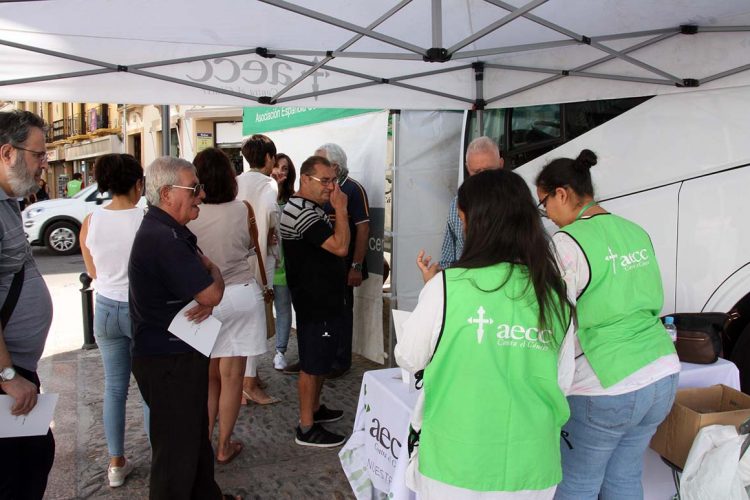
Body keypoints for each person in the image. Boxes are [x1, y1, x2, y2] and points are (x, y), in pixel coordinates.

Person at [395, 169, 574, 499]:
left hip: (456, 462)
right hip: (532, 464)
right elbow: (562, 381)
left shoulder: (446, 288)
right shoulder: (556, 293)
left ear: (475, 223)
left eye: (462, 221)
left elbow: (409, 356)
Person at [535, 149, 679, 500]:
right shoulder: (635, 231)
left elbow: (552, 321)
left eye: (544, 204)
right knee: (625, 478)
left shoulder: (566, 243)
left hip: (605, 384)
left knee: (577, 485)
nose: (546, 215)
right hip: (662, 373)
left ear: (562, 194)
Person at [129, 156, 238, 499]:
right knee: (175, 454)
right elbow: (212, 293)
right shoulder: (164, 237)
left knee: (192, 440)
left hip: (176, 356)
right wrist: (216, 272)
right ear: (166, 193)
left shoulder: (168, 230)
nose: (201, 195)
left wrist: (208, 276)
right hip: (168, 361)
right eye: (194, 189)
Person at [188, 148, 276, 465]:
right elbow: (251, 247)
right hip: (239, 293)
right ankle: (224, 445)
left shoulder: (190, 215)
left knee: (209, 377)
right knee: (232, 378)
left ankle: (204, 441)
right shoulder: (242, 209)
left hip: (203, 299)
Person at [80, 153, 145, 487]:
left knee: (114, 387)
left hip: (104, 308)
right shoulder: (146, 219)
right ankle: (161, 454)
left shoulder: (91, 220)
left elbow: (92, 271)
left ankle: (116, 463)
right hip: (139, 309)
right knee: (150, 387)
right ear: (137, 183)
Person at [0, 110, 55, 499]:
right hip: (7, 377)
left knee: (33, 459)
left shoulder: (8, 201)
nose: (43, 164)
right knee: (19, 470)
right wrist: (7, 376)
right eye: (38, 155)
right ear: (7, 153)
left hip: (18, 370)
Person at [280, 155, 350, 447]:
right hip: (315, 301)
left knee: (319, 360)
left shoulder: (307, 207)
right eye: (326, 181)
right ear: (305, 179)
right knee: (312, 364)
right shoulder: (302, 211)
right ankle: (306, 427)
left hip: (322, 299)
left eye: (334, 180)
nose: (331, 187)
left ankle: (315, 409)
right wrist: (342, 210)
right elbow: (341, 246)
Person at [313, 143, 370, 379]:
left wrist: (356, 266)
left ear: (335, 166)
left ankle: (340, 360)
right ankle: (320, 355)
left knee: (342, 314)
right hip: (321, 267)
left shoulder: (353, 190)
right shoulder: (321, 188)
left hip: (344, 266)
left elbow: (364, 229)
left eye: (320, 162)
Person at [237, 134, 279, 400]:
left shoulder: (236, 182)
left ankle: (246, 375)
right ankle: (248, 382)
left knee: (242, 317)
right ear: (268, 158)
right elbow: (271, 215)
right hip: (262, 257)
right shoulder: (268, 184)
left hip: (238, 256)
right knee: (257, 317)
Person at [439, 136, 503, 269]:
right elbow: (447, 259)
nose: (484, 178)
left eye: (489, 171)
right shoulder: (457, 204)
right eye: (477, 172)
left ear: (501, 164)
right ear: (468, 168)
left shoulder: (518, 201)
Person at [270, 153, 296, 371]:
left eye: (285, 168)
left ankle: (281, 351)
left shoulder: (295, 198)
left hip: (292, 265)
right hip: (270, 265)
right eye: (277, 166)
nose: (281, 171)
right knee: (274, 309)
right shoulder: (265, 197)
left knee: (285, 307)